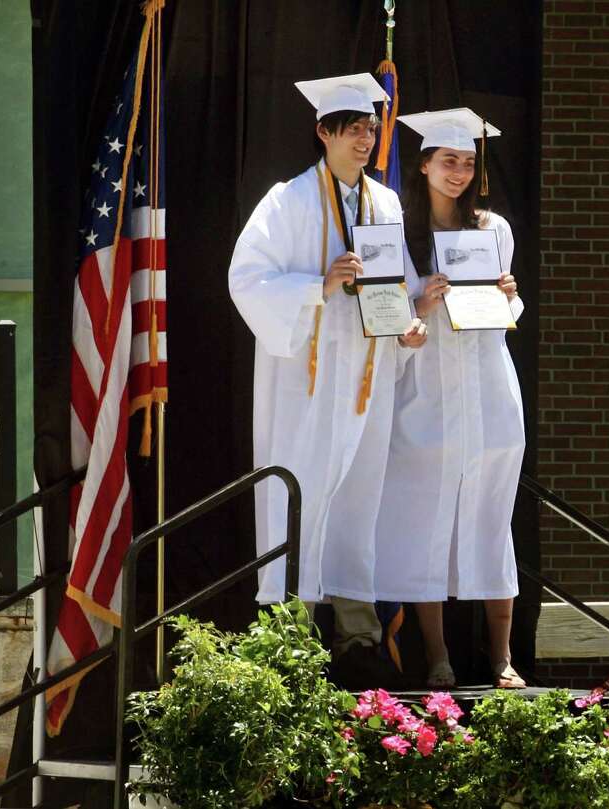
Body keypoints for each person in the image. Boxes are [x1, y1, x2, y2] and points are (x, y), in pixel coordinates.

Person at [228, 73, 426, 682]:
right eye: (354, 129)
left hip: (364, 375)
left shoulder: (385, 204)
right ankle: (290, 636)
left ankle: (358, 635)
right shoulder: (285, 202)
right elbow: (247, 280)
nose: (365, 139)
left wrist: (410, 323)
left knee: (359, 497)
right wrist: (320, 284)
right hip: (307, 385)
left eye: (370, 128)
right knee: (302, 490)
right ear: (323, 132)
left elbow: (398, 281)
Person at [372, 108, 526, 689]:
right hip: (425, 396)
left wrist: (509, 295)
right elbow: (385, 321)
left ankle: (501, 657)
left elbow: (503, 316)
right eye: (447, 161)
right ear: (425, 164)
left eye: (467, 162)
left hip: (487, 389)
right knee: (424, 521)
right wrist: (422, 307)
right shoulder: (401, 237)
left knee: (491, 518)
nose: (458, 172)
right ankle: (436, 657)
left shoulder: (493, 229)